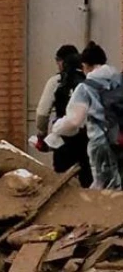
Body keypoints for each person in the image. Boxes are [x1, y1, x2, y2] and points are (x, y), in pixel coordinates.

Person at [46, 41, 123, 190]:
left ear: (85, 65)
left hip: (102, 143)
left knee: (104, 188)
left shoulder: (85, 87)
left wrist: (56, 128)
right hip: (120, 139)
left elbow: (74, 122)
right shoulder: (119, 81)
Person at [34, 45, 92, 187]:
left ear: (61, 61)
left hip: (63, 140)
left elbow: (42, 113)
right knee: (88, 181)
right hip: (87, 139)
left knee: (63, 182)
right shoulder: (89, 80)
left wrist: (41, 135)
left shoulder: (56, 81)